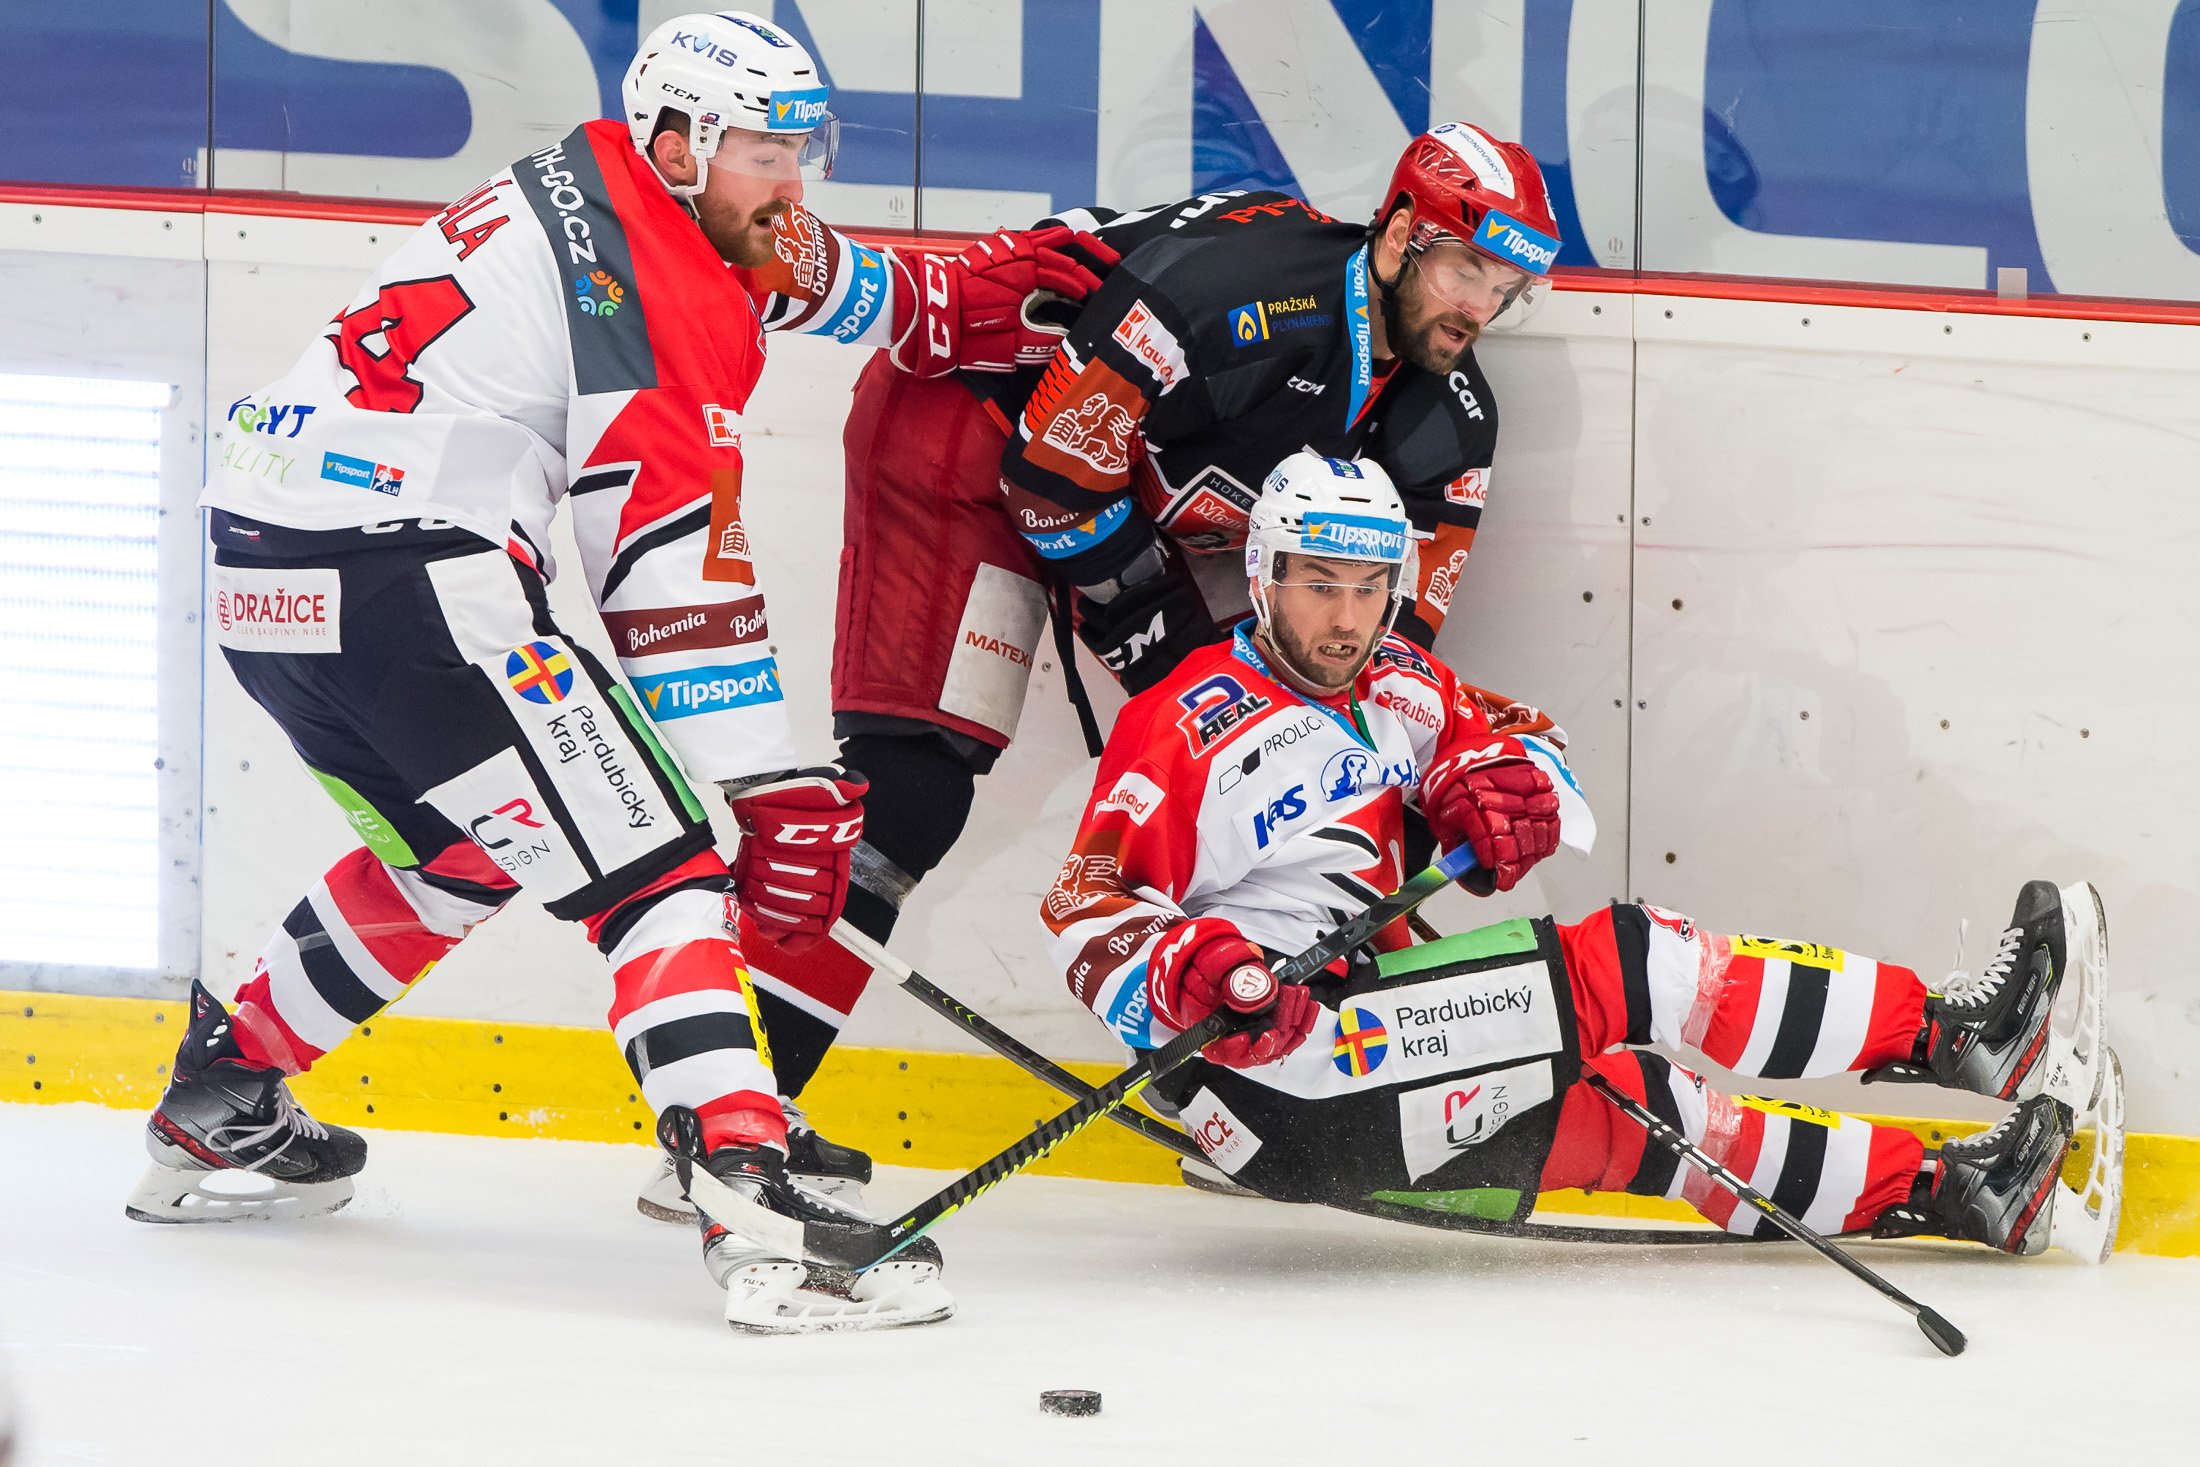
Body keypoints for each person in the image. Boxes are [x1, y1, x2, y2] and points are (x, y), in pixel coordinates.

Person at [131, 9, 1107, 1335]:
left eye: (801, 149)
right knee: (661, 872)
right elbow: (665, 561)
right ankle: (757, 1212)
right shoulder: (652, 296)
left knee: (460, 852)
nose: (793, 183)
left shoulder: (606, 185)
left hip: (270, 581)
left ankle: (223, 1094)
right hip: (414, 581)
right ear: (681, 144)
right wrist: (764, 781)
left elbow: (776, 257)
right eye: (766, 150)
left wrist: (924, 299)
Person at [1037, 452, 2088, 1256]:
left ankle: (1960, 1193)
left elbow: (1526, 742)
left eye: (1368, 585)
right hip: (1285, 1076)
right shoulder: (1187, 723)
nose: (1346, 618)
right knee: (1633, 962)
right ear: (1262, 576)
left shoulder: (1400, 682)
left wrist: (1496, 784)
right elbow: (1084, 909)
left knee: (1647, 1114)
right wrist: (1190, 970)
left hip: (1370, 1077)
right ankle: (1962, 1036)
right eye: (1318, 582)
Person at [749, 121, 1566, 1130]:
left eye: (1505, 286)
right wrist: (1185, 665)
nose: (1479, 307)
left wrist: (1452, 780)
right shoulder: (1231, 298)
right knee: (913, 792)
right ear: (1399, 234)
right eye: (1463, 270)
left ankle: (1252, 1087)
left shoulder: (1452, 424)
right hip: (969, 441)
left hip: (1115, 499)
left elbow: (1378, 668)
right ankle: (739, 1105)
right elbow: (1050, 482)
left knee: (1305, 767)